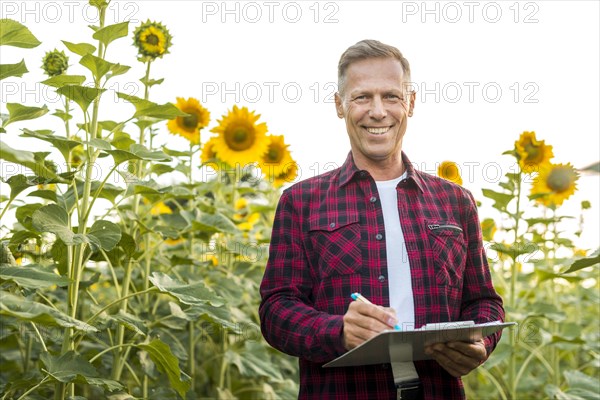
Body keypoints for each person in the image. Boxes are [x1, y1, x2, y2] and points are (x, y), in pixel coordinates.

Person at [259, 39, 505, 400]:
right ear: (340, 106)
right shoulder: (301, 202)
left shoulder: (456, 202)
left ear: (411, 103)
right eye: (362, 97)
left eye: (391, 96)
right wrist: (338, 331)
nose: (377, 112)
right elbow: (276, 311)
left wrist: (480, 341)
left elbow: (484, 301)